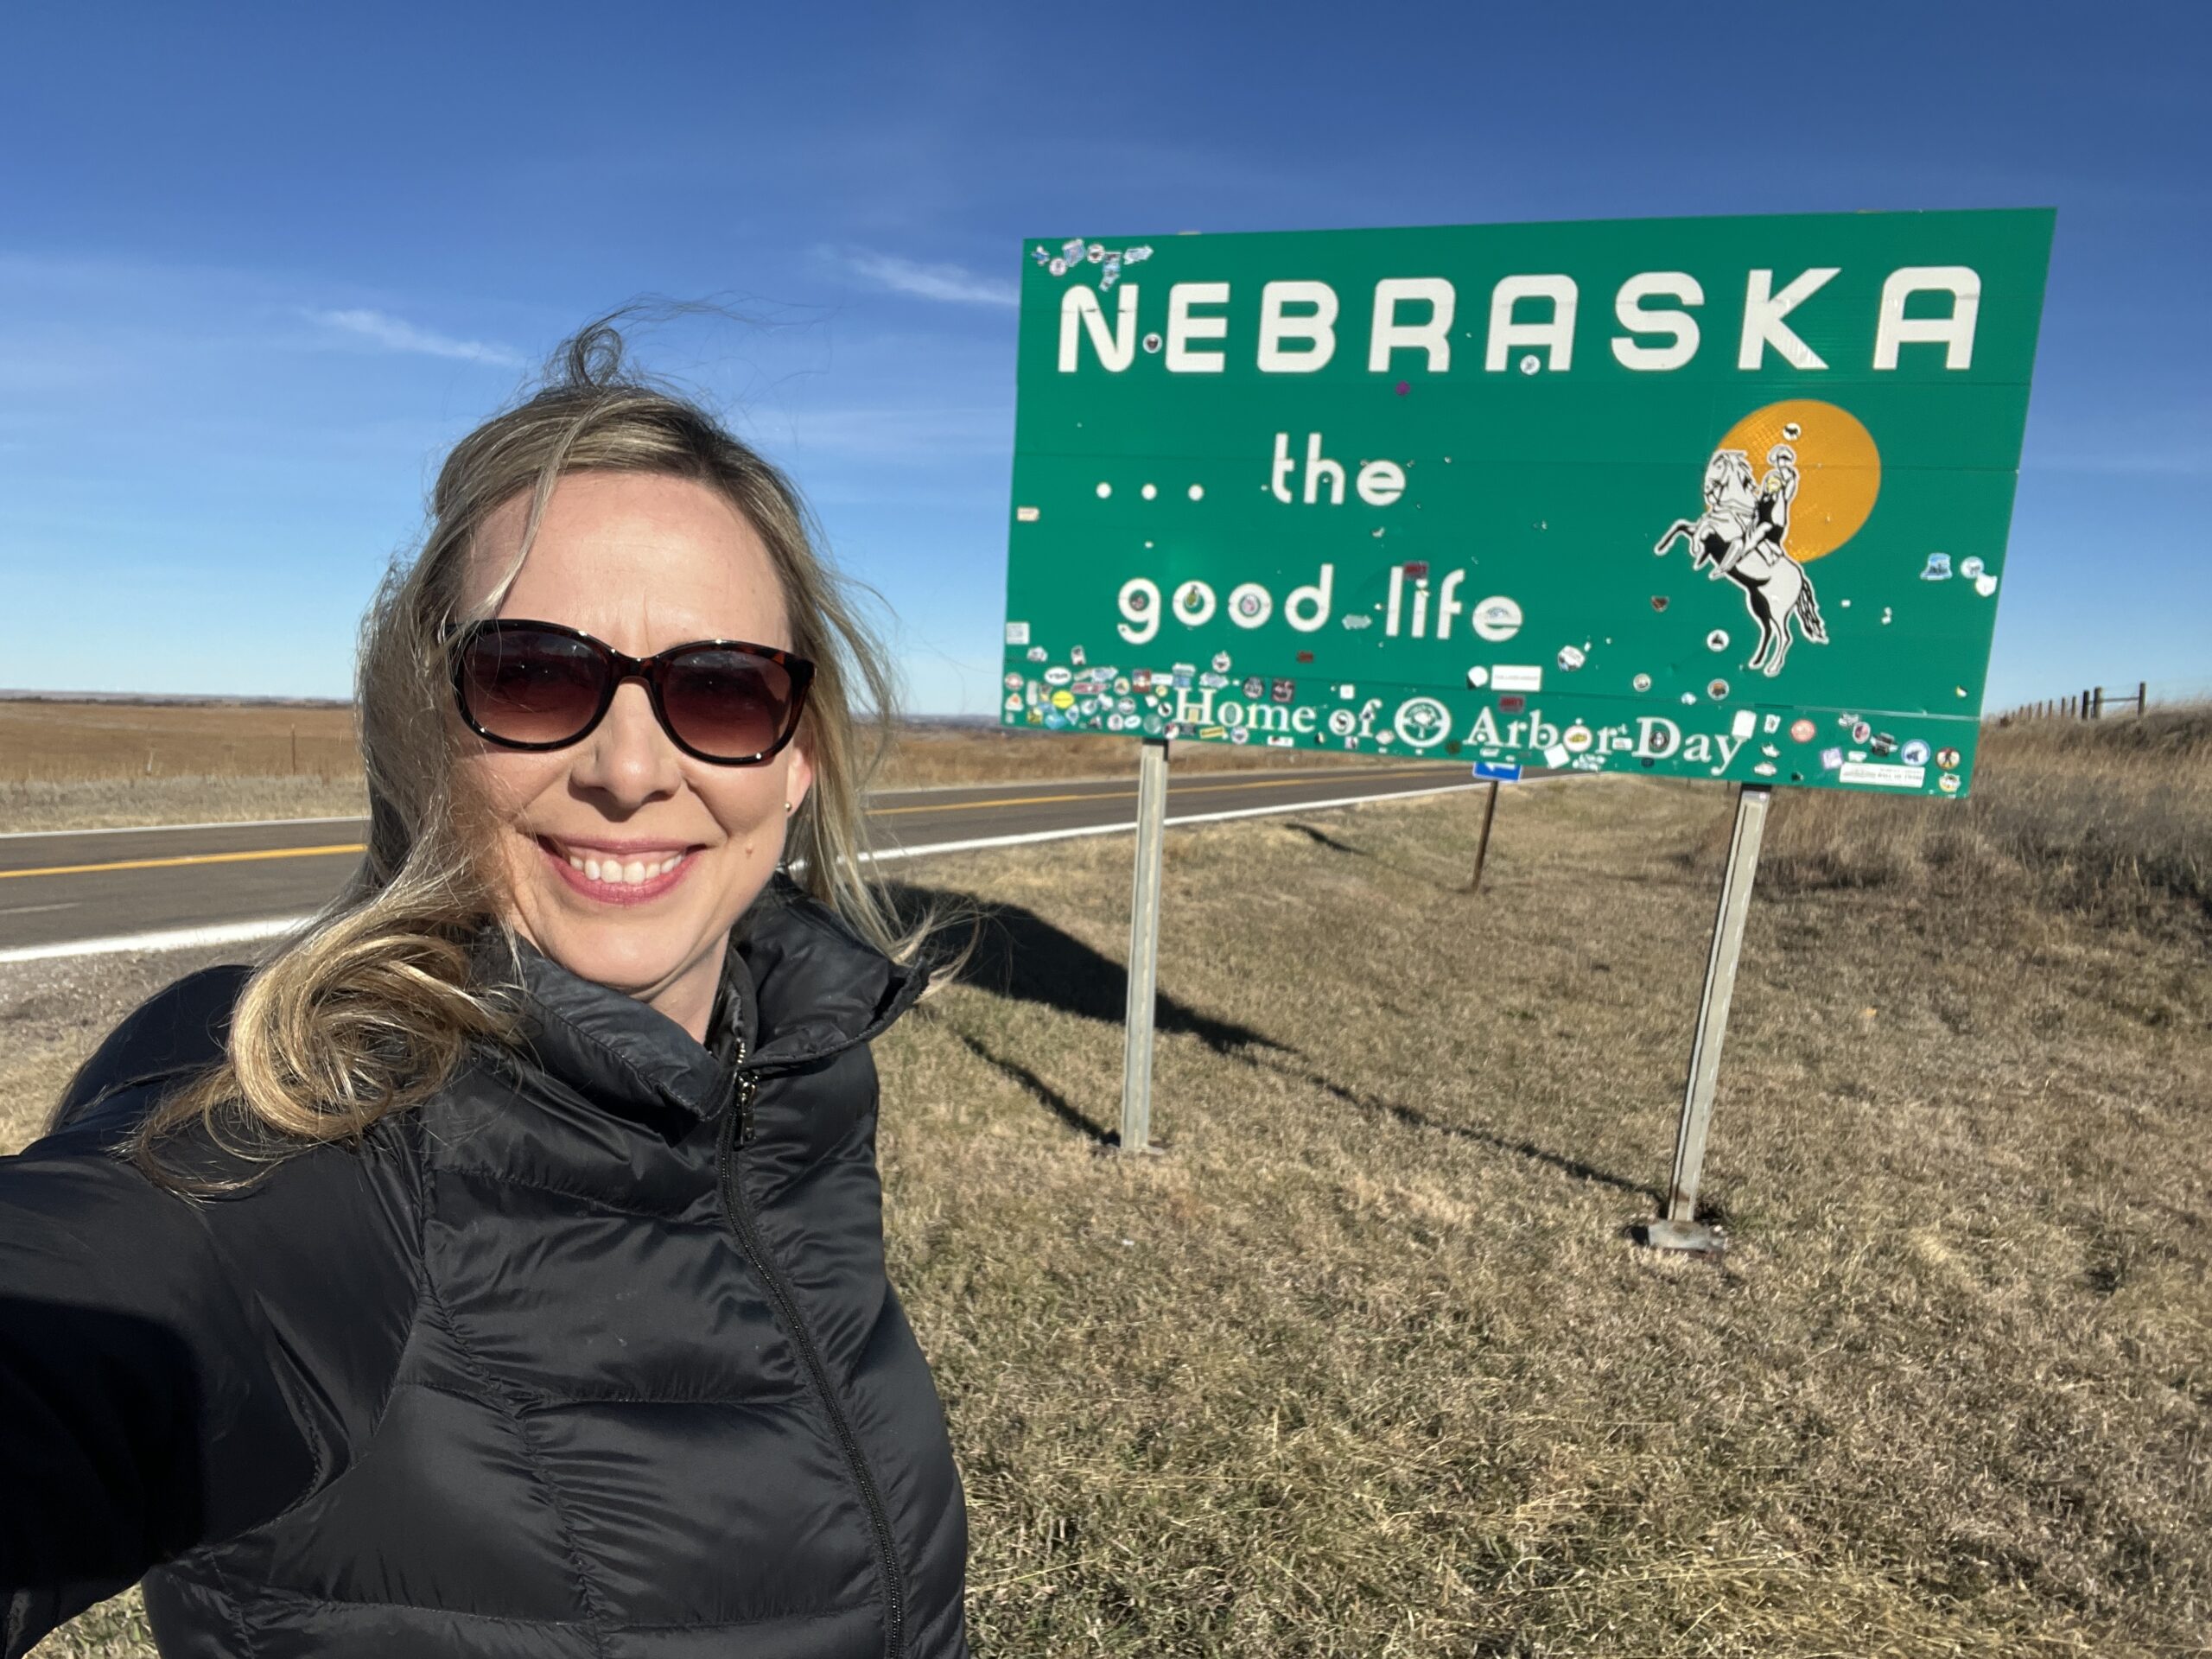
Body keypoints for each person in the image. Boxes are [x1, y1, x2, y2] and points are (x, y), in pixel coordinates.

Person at [0, 321, 969, 1658]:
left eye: (724, 692)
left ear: (794, 759)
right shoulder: (315, 1125)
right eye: (536, 675)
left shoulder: (789, 1072)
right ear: (427, 726)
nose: (630, 769)